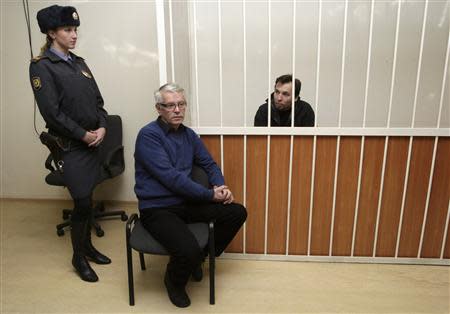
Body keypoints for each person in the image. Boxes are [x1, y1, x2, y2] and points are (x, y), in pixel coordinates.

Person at [134, 83, 247, 308]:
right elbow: (172, 179)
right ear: (159, 108)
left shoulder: (189, 135)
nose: (177, 110)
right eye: (170, 105)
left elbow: (208, 163)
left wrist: (221, 186)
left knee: (236, 212)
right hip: (157, 209)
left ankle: (198, 258)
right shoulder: (149, 136)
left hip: (185, 202)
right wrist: (209, 195)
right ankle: (173, 281)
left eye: (181, 104)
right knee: (187, 250)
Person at [29, 5, 110, 282]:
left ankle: (87, 247)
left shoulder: (79, 62)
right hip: (71, 146)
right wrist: (84, 135)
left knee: (88, 198)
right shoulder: (41, 67)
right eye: (67, 30)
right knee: (83, 202)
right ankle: (78, 257)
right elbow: (52, 113)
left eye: (75, 29)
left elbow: (98, 102)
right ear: (52, 33)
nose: (74, 34)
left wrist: (101, 126)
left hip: (92, 143)